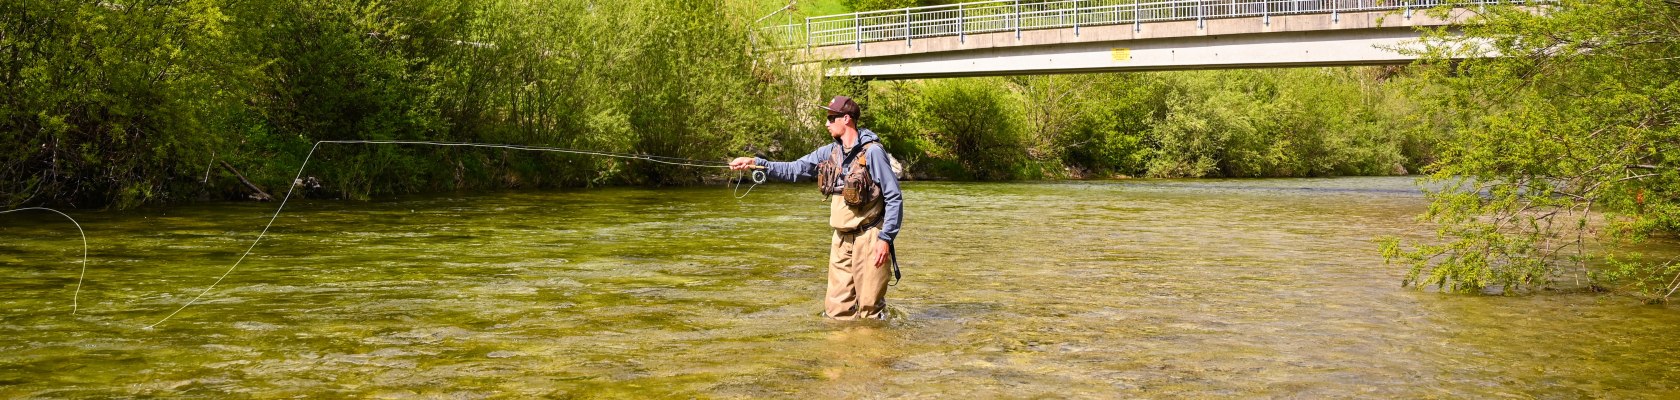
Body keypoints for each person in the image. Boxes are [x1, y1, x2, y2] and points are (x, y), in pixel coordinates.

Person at [730, 95, 904, 321]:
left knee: (870, 310)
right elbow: (794, 169)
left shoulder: (873, 153)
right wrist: (754, 163)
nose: (827, 123)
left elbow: (894, 197)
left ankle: (874, 353)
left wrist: (885, 239)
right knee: (836, 311)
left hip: (870, 238)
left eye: (831, 118)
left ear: (847, 119)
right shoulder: (829, 152)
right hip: (841, 240)